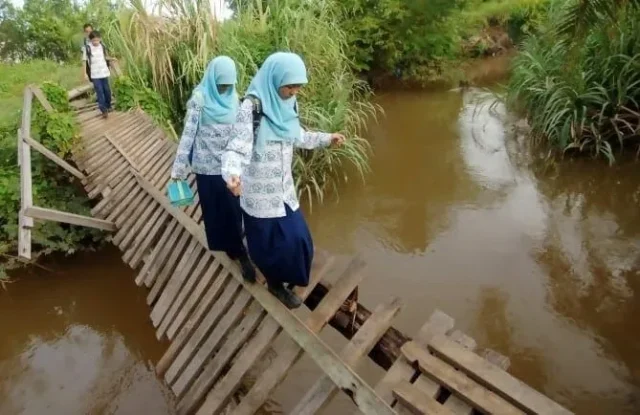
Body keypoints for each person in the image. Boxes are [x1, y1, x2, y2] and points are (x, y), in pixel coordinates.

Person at [221, 52, 345, 309]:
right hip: (258, 195)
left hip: (284, 190)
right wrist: (232, 174)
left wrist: (326, 139)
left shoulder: (290, 104)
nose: (294, 91)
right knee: (265, 246)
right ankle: (275, 284)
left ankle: (285, 277)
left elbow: (297, 135)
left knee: (299, 239)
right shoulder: (252, 107)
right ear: (274, 79)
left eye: (298, 87)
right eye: (290, 86)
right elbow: (235, 148)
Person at [170, 56, 256, 283]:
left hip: (230, 169)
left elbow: (241, 134)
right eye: (221, 86)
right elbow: (188, 136)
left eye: (228, 85)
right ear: (212, 80)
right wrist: (178, 170)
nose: (224, 89)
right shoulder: (199, 99)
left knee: (236, 210)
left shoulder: (235, 99)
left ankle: (240, 249)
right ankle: (235, 250)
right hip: (207, 170)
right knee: (217, 212)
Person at [82, 31, 112, 118]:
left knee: (107, 91)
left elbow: (105, 57)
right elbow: (84, 61)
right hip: (95, 75)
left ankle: (108, 105)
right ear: (90, 40)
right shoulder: (87, 48)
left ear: (100, 39)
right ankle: (103, 110)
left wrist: (112, 58)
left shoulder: (102, 46)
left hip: (104, 73)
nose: (96, 42)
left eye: (97, 40)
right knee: (100, 92)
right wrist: (85, 73)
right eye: (94, 40)